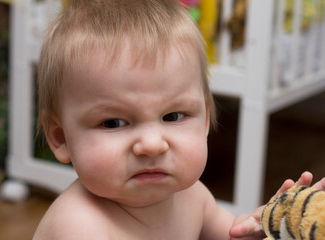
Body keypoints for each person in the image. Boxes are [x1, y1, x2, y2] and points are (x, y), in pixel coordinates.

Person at [33, 0, 325, 239]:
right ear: (60, 137)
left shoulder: (191, 197)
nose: (151, 145)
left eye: (172, 116)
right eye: (113, 123)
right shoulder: (79, 228)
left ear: (206, 120)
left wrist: (266, 222)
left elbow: (231, 234)